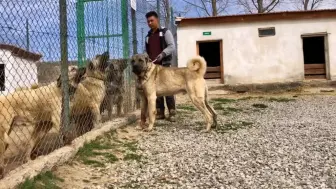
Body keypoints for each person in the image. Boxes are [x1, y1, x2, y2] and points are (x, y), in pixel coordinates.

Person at [145, 11, 176, 122]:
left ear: (157, 20)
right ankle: (160, 112)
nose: (149, 23)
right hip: (153, 67)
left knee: (168, 88)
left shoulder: (165, 32)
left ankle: (172, 111)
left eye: (151, 20)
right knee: (155, 90)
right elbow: (147, 52)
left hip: (165, 65)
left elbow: (172, 46)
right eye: (148, 21)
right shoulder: (148, 36)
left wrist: (163, 54)